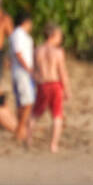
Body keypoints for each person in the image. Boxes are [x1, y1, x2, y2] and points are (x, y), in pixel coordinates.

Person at [31, 23, 71, 153]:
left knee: (35, 114)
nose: (60, 39)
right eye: (59, 36)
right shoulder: (58, 52)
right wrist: (66, 89)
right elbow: (62, 72)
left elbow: (35, 71)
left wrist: (36, 81)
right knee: (57, 115)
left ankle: (28, 139)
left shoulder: (38, 50)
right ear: (53, 35)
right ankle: (53, 145)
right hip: (55, 84)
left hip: (43, 84)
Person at [9, 12, 35, 142]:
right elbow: (18, 53)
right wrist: (28, 68)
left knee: (22, 102)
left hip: (21, 71)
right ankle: (20, 129)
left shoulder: (22, 35)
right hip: (21, 72)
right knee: (28, 102)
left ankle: (21, 129)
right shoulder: (18, 34)